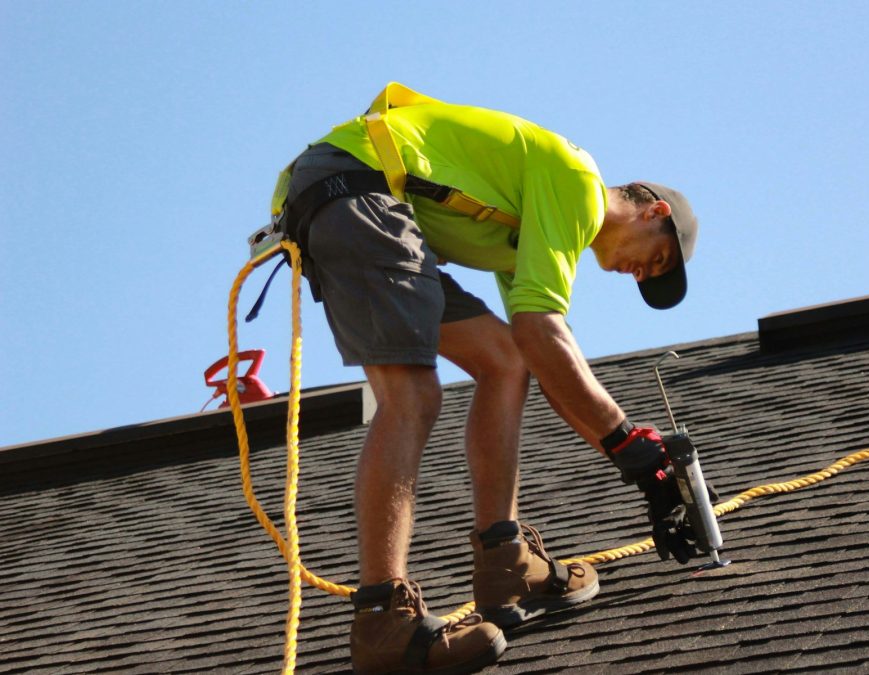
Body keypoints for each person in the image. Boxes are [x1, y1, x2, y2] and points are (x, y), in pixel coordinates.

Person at [276, 83, 700, 674]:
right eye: (655, 259)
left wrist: (627, 449)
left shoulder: (531, 228)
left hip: (364, 203)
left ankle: (505, 562)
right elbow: (544, 329)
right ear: (655, 211)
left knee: (504, 360)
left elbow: (539, 349)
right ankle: (381, 623)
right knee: (411, 397)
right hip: (357, 191)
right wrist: (629, 442)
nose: (638, 274)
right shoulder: (575, 180)